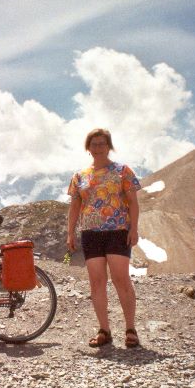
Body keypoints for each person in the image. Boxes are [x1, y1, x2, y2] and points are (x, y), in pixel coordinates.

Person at [66, 128, 142, 348]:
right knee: (97, 282)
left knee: (121, 279)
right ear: (88, 148)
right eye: (94, 144)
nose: (98, 147)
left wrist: (134, 228)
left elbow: (133, 202)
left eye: (102, 143)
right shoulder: (80, 176)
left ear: (109, 146)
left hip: (117, 231)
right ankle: (104, 330)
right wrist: (70, 232)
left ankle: (130, 329)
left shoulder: (122, 171)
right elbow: (75, 206)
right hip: (90, 233)